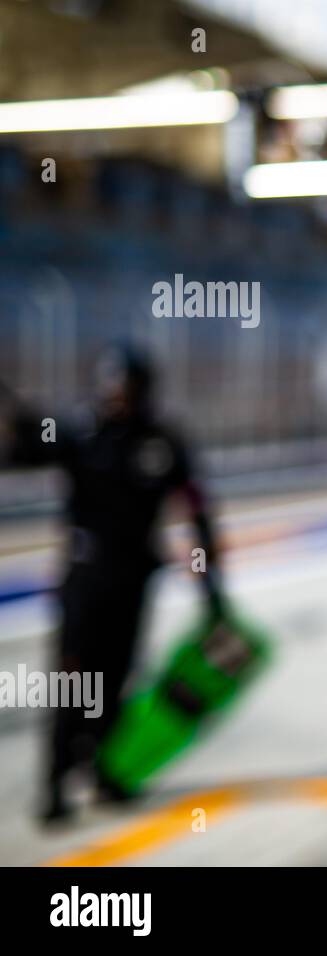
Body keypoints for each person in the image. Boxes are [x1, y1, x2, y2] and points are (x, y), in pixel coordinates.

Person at [0, 343, 225, 822]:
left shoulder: (163, 442)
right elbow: (23, 448)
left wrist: (211, 591)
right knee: (74, 682)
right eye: (112, 387)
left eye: (125, 388)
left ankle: (105, 772)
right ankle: (55, 785)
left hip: (134, 580)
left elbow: (197, 512)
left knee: (119, 679)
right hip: (84, 581)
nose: (116, 396)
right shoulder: (82, 430)